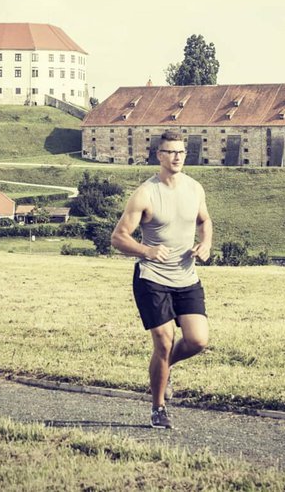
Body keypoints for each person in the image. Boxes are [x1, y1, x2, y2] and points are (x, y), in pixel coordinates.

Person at [111, 130, 212, 429]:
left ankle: (164, 369)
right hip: (152, 278)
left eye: (181, 152)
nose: (177, 157)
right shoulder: (145, 193)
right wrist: (148, 250)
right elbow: (118, 238)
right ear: (159, 155)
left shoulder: (195, 188)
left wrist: (205, 244)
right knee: (164, 342)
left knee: (197, 340)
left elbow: (205, 221)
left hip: (186, 277)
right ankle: (158, 407)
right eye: (170, 152)